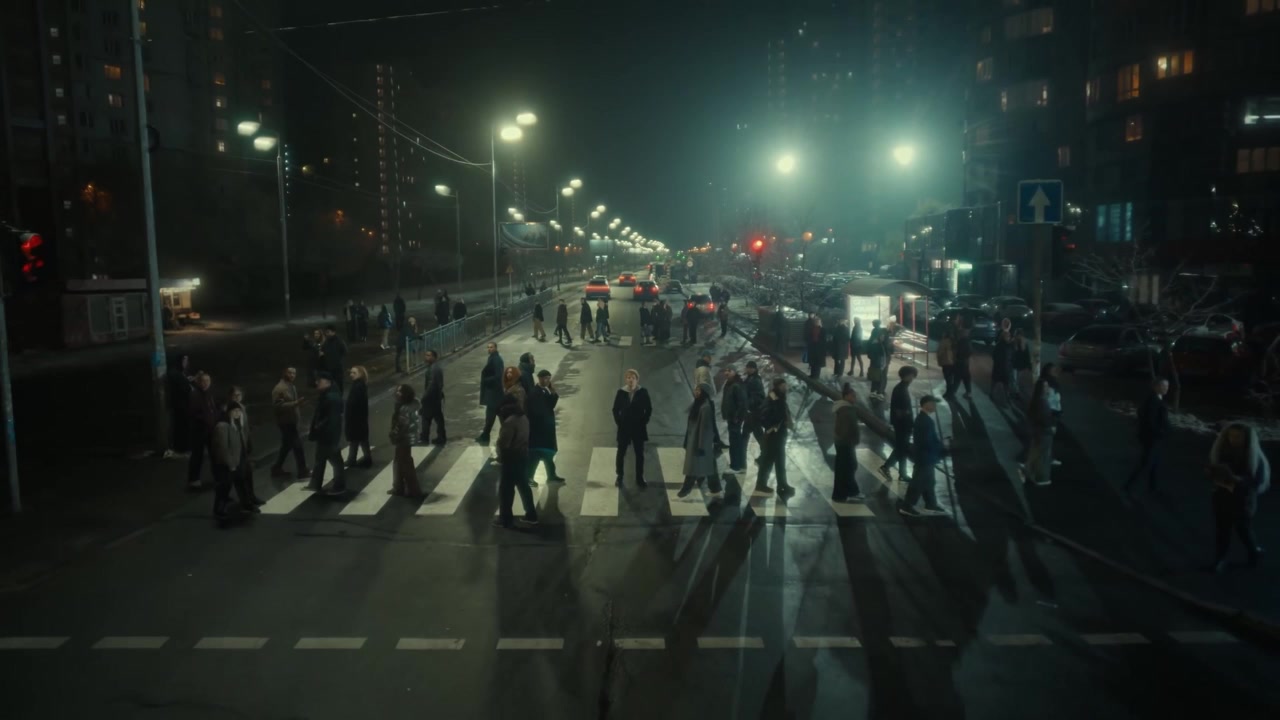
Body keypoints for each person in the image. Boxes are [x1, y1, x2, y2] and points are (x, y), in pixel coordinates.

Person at [1208, 422, 1268, 572]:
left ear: (1246, 438)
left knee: (1243, 530)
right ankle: (1220, 559)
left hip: (1243, 500)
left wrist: (1238, 480)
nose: (1233, 439)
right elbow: (1215, 469)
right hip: (1222, 497)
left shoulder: (1254, 456)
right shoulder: (1222, 451)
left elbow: (1257, 480)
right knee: (1222, 530)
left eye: (1238, 436)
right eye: (1230, 436)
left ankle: (1253, 552)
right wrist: (1211, 473)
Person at [494, 368, 538, 529]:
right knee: (523, 486)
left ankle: (505, 519)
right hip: (523, 455)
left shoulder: (509, 423)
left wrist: (500, 455)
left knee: (506, 490)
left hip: (511, 458)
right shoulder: (523, 418)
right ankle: (531, 514)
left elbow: (503, 443)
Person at [898, 395, 949, 517]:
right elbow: (927, 442)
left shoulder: (924, 419)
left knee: (929, 482)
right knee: (918, 482)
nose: (935, 406)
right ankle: (907, 506)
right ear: (926, 404)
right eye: (933, 403)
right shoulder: (925, 421)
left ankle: (931, 504)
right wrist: (942, 446)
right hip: (925, 458)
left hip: (926, 457)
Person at [1125, 377, 1170, 498]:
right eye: (1163, 386)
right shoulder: (1152, 401)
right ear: (1156, 387)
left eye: (1167, 386)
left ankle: (1152, 487)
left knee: (1154, 462)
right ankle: (1129, 485)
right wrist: (1159, 432)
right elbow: (1149, 420)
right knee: (1146, 463)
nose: (1166, 388)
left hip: (1154, 437)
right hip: (1152, 438)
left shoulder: (1157, 398)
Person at [679, 382, 724, 499]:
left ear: (704, 392)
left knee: (694, 467)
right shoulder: (698, 404)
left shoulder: (705, 407)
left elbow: (705, 429)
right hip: (695, 441)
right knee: (709, 466)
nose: (696, 392)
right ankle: (715, 488)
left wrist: (701, 447)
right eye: (696, 390)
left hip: (699, 443)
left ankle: (685, 490)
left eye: (699, 390)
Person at [211, 402, 254, 524]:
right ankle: (219, 510)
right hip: (227, 464)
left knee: (240, 483)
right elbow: (223, 448)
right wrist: (231, 464)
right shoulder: (223, 426)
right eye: (234, 411)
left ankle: (246, 505)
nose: (237, 413)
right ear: (229, 412)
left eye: (239, 411)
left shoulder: (237, 424)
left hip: (237, 461)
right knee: (224, 487)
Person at [307, 372, 346, 495]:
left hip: (329, 436)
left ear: (328, 382)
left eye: (319, 381)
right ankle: (315, 484)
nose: (316, 383)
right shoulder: (327, 394)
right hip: (325, 434)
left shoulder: (331, 397)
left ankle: (339, 486)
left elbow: (332, 420)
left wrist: (319, 427)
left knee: (336, 461)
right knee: (320, 459)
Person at [612, 369, 652, 487]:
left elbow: (649, 409)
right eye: (628, 377)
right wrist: (619, 423)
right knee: (621, 453)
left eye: (633, 378)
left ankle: (639, 477)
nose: (630, 380)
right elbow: (615, 409)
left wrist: (644, 422)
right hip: (624, 428)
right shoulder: (621, 392)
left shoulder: (643, 392)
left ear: (637, 380)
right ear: (626, 379)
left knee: (639, 454)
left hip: (638, 428)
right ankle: (620, 476)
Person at [756, 378, 795, 496]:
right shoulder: (773, 399)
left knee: (779, 461)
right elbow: (764, 416)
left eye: (785, 385)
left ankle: (782, 484)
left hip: (779, 434)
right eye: (783, 386)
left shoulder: (779, 398)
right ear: (777, 386)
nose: (785, 387)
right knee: (768, 461)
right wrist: (774, 424)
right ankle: (762, 484)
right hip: (774, 435)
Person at [1024, 363, 1061, 487]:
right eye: (1045, 387)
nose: (1047, 388)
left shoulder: (1038, 400)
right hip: (1044, 431)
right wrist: (1051, 427)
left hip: (1038, 430)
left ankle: (1029, 471)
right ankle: (1041, 478)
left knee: (1036, 452)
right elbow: (1045, 418)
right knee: (1042, 455)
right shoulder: (1043, 403)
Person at [270, 367, 309, 479]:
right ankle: (302, 471)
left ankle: (276, 468)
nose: (292, 375)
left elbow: (292, 404)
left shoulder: (291, 386)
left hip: (291, 421)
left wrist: (298, 405)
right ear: (284, 373)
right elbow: (278, 406)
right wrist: (295, 403)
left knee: (286, 446)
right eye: (290, 373)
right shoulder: (280, 389)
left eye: (294, 373)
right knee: (298, 446)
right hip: (286, 422)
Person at [881, 366, 919, 481]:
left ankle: (901, 473)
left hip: (902, 424)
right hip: (902, 425)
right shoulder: (901, 390)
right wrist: (908, 418)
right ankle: (887, 467)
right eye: (912, 375)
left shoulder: (901, 388)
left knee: (902, 448)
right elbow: (899, 410)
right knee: (901, 448)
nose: (913, 378)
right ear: (907, 375)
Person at [527, 369, 564, 484]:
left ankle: (551, 475)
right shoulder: (535, 392)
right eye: (545, 378)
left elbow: (550, 406)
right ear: (540, 378)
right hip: (538, 429)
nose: (547, 380)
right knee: (536, 456)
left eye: (549, 378)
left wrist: (553, 393)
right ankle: (529, 477)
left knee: (548, 454)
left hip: (546, 429)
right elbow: (536, 410)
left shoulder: (545, 390)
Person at [833, 383, 866, 503]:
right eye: (852, 396)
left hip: (843, 442)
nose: (854, 398)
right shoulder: (846, 410)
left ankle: (844, 493)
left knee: (846, 468)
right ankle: (851, 492)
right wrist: (851, 440)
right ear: (846, 396)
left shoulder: (845, 408)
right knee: (849, 467)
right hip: (846, 443)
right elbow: (845, 429)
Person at [389, 384, 423, 497]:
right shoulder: (408, 405)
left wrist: (394, 435)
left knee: (405, 464)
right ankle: (398, 487)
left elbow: (402, 426)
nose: (397, 393)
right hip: (406, 438)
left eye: (400, 391)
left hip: (404, 438)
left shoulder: (405, 409)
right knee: (399, 462)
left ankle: (413, 490)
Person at [187, 372, 218, 490]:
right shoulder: (195, 395)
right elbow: (194, 413)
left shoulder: (209, 393)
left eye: (208, 381)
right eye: (203, 381)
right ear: (199, 382)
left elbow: (213, 409)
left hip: (210, 429)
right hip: (199, 430)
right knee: (197, 455)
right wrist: (208, 420)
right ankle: (193, 480)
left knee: (214, 454)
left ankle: (216, 476)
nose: (206, 383)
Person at [721, 367, 748, 473]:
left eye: (729, 371)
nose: (726, 372)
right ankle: (739, 465)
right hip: (731, 417)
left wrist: (737, 417)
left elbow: (742, 403)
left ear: (734, 372)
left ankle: (735, 466)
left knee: (735, 442)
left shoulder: (736, 385)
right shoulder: (729, 384)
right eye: (726, 370)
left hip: (734, 419)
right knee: (735, 440)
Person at [476, 342, 504, 444]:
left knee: (491, 416)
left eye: (491, 347)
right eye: (488, 347)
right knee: (495, 417)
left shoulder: (496, 359)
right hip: (494, 393)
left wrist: (486, 380)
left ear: (495, 348)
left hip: (494, 393)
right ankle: (486, 435)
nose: (489, 349)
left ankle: (486, 436)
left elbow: (498, 375)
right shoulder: (492, 358)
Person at [344, 366, 372, 468]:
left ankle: (356, 460)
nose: (351, 375)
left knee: (356, 439)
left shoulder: (358, 386)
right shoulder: (359, 385)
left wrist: (350, 416)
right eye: (351, 372)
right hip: (359, 418)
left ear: (360, 374)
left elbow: (354, 403)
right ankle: (359, 459)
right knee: (360, 440)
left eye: (354, 373)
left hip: (356, 418)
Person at [166, 353, 194, 456]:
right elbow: (183, 388)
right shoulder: (174, 373)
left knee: (184, 426)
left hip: (183, 405)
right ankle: (182, 447)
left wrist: (187, 380)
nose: (186, 363)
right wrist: (187, 383)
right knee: (181, 427)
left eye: (186, 361)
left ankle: (183, 447)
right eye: (184, 361)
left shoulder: (179, 373)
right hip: (180, 406)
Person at [420, 349, 447, 445]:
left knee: (426, 418)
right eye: (426, 355)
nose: (426, 357)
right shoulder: (434, 368)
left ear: (434, 357)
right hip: (435, 397)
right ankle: (441, 437)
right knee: (438, 418)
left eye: (429, 355)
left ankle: (425, 438)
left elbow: (431, 385)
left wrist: (424, 397)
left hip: (431, 398)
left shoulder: (433, 369)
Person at [743, 360, 767, 448]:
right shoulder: (750, 378)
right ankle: (742, 452)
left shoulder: (755, 380)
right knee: (746, 433)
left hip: (755, 412)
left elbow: (757, 396)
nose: (748, 369)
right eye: (748, 367)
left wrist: (748, 404)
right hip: (751, 412)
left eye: (751, 368)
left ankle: (766, 452)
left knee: (757, 433)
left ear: (755, 369)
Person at [991, 319, 1014, 405]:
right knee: (998, 382)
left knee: (1004, 384)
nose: (1008, 337)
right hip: (1001, 367)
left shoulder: (1009, 345)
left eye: (1009, 336)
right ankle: (995, 395)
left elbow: (1012, 356)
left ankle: (1006, 398)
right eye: (1007, 336)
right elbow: (994, 356)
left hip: (1004, 367)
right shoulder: (1002, 345)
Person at [321, 325, 347, 392]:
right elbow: (322, 351)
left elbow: (344, 352)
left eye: (328, 332)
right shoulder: (326, 342)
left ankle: (339, 395)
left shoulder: (339, 341)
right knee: (330, 385)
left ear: (333, 332)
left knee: (339, 384)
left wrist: (339, 361)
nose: (327, 334)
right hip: (328, 368)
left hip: (337, 368)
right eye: (326, 332)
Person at [866, 320, 887, 399]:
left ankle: (874, 391)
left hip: (875, 359)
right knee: (879, 375)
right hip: (878, 360)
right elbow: (882, 352)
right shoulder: (879, 341)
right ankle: (878, 391)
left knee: (875, 375)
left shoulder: (874, 332)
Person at [953, 322, 974, 398]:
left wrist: (957, 357)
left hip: (960, 361)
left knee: (957, 377)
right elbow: (970, 352)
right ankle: (968, 392)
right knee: (966, 377)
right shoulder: (967, 341)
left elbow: (958, 351)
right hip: (965, 362)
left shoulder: (961, 341)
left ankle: (953, 392)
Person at [1011, 328, 1032, 401]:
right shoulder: (1013, 342)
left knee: (1017, 379)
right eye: (1018, 335)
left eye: (1020, 335)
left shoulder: (1024, 343)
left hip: (1020, 364)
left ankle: (1016, 392)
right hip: (1013, 364)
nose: (1019, 336)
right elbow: (1009, 353)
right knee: (1014, 378)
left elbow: (1027, 355)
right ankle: (1016, 392)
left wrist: (1029, 365)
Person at [806, 315, 826, 379]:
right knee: (812, 362)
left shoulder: (823, 329)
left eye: (817, 322)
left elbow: (824, 340)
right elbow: (809, 336)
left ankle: (816, 376)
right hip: (813, 347)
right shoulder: (812, 328)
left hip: (819, 348)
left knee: (818, 363)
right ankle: (812, 374)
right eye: (815, 322)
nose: (816, 323)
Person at [937, 329, 956, 397]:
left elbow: (940, 352)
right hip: (954, 362)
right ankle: (951, 392)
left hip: (946, 362)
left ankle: (949, 393)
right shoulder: (954, 341)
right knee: (951, 378)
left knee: (948, 379)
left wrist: (939, 359)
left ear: (945, 334)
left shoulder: (944, 341)